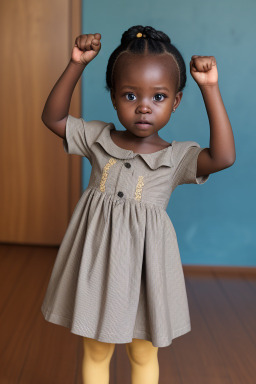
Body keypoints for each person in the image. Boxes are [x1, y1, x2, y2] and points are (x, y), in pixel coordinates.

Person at [41, 25, 236, 384]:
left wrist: (209, 87)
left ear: (176, 101)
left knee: (142, 351)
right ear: (114, 98)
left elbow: (223, 157)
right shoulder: (99, 138)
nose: (144, 107)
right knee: (96, 349)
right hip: (98, 263)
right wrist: (76, 65)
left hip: (148, 270)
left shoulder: (177, 158)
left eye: (159, 97)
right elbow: (53, 118)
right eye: (130, 96)